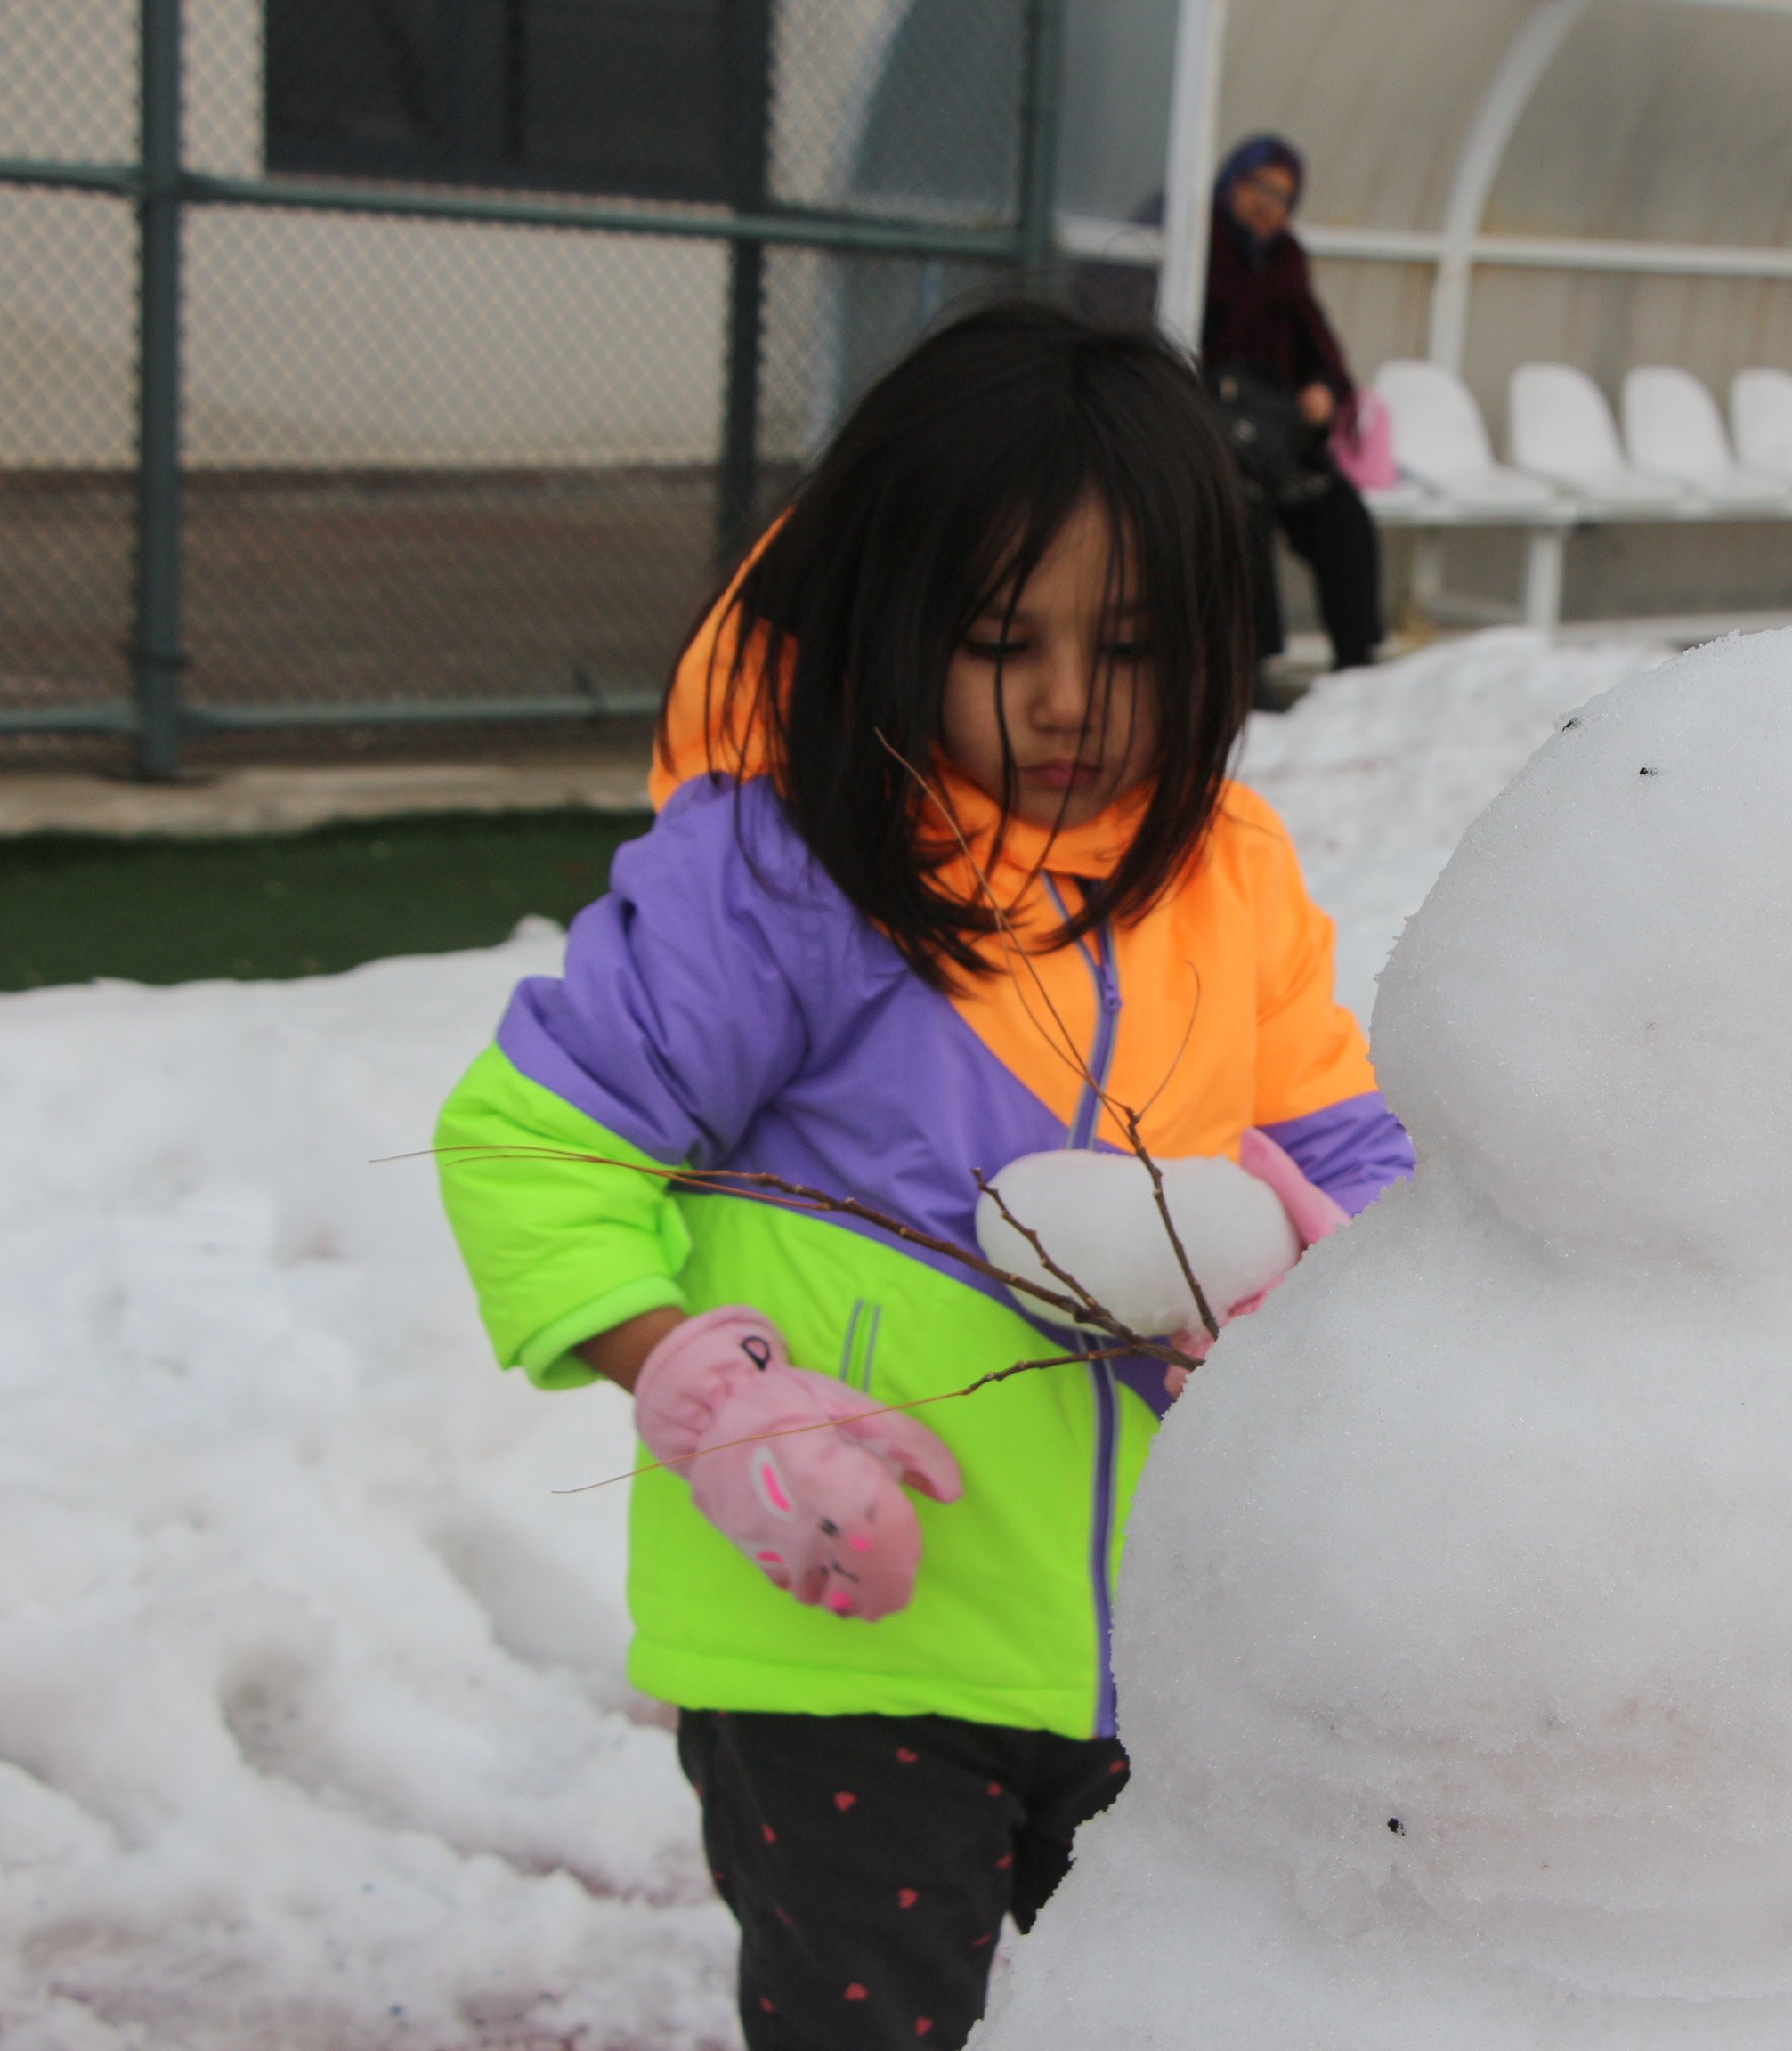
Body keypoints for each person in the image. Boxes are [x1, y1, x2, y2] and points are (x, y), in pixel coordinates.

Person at [430, 303, 1414, 2051]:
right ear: (893, 619)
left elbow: (1340, 1141)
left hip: (1154, 1648)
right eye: (994, 638)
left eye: (1127, 643)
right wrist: (697, 1389)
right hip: (848, 1653)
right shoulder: (792, 875)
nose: (1063, 700)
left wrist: (1433, 1297)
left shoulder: (1230, 870)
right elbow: (534, 1142)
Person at [1202, 134, 1386, 675]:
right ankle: (1247, 670)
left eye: (1282, 196)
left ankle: (1356, 658)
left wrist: (1323, 391)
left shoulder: (1286, 262)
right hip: (1208, 436)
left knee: (1342, 518)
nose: (1267, 204)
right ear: (1231, 183)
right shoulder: (1198, 248)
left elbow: (1319, 349)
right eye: (1258, 187)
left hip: (1279, 438)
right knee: (1241, 513)